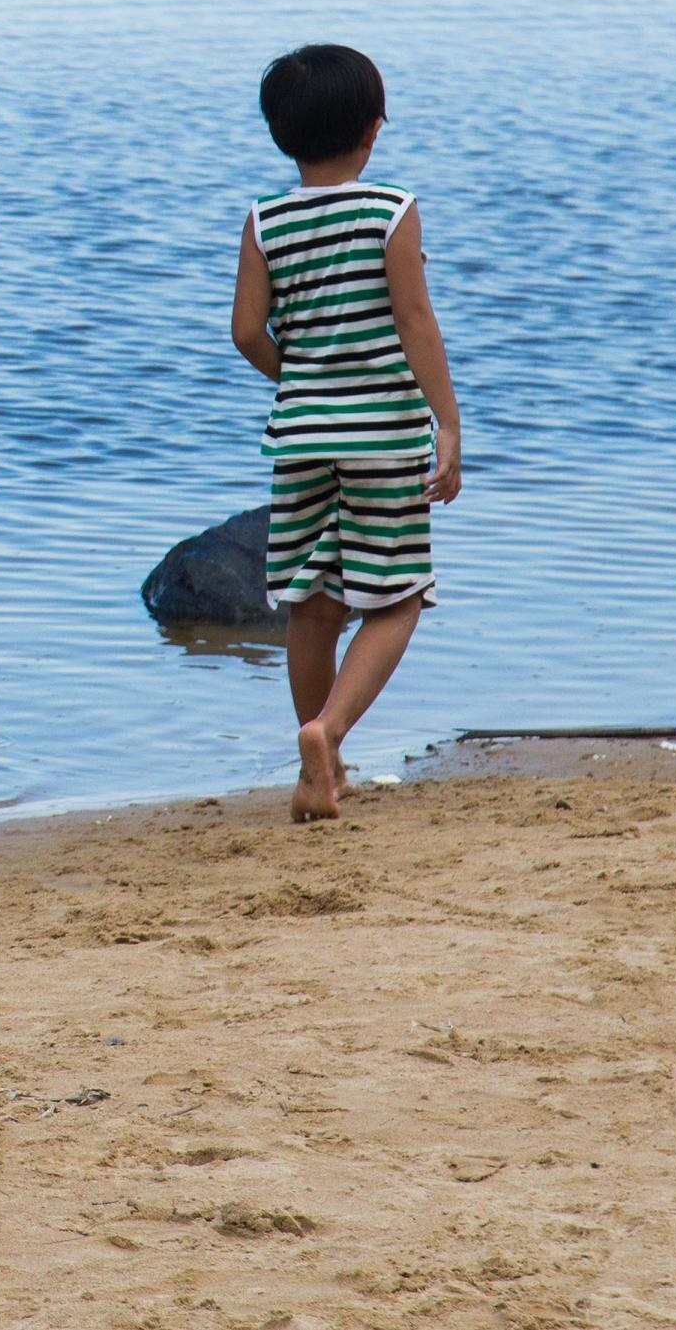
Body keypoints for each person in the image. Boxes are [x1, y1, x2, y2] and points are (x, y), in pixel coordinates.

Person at [229, 44, 464, 823]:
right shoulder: (389, 208)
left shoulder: (265, 219)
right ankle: (327, 732)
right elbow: (414, 317)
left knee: (311, 600)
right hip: (384, 434)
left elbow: (246, 332)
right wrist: (448, 420)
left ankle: (323, 764)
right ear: (373, 129)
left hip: (299, 437)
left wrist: (298, 379)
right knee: (396, 597)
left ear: (280, 134)